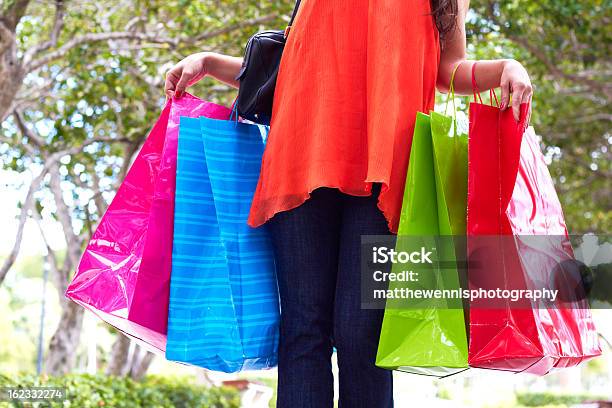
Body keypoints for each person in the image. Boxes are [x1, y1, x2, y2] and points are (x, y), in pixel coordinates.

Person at [164, 0, 533, 406]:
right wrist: (210, 62)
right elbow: (295, 61)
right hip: (300, 162)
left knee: (362, 331)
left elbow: (448, 70)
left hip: (387, 171)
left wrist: (504, 69)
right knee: (304, 329)